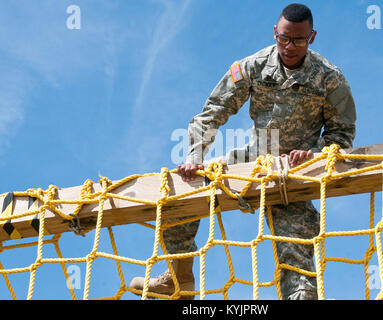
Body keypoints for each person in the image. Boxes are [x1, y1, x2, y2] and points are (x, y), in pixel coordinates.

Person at [130, 3, 356, 300]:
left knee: (297, 260)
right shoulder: (254, 66)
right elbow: (213, 112)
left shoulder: (329, 78)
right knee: (181, 190)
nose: (290, 46)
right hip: (255, 159)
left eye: (299, 40)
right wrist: (195, 156)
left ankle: (300, 294)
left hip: (297, 169)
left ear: (311, 38)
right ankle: (179, 278)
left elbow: (342, 133)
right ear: (275, 32)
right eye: (284, 38)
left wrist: (314, 153)